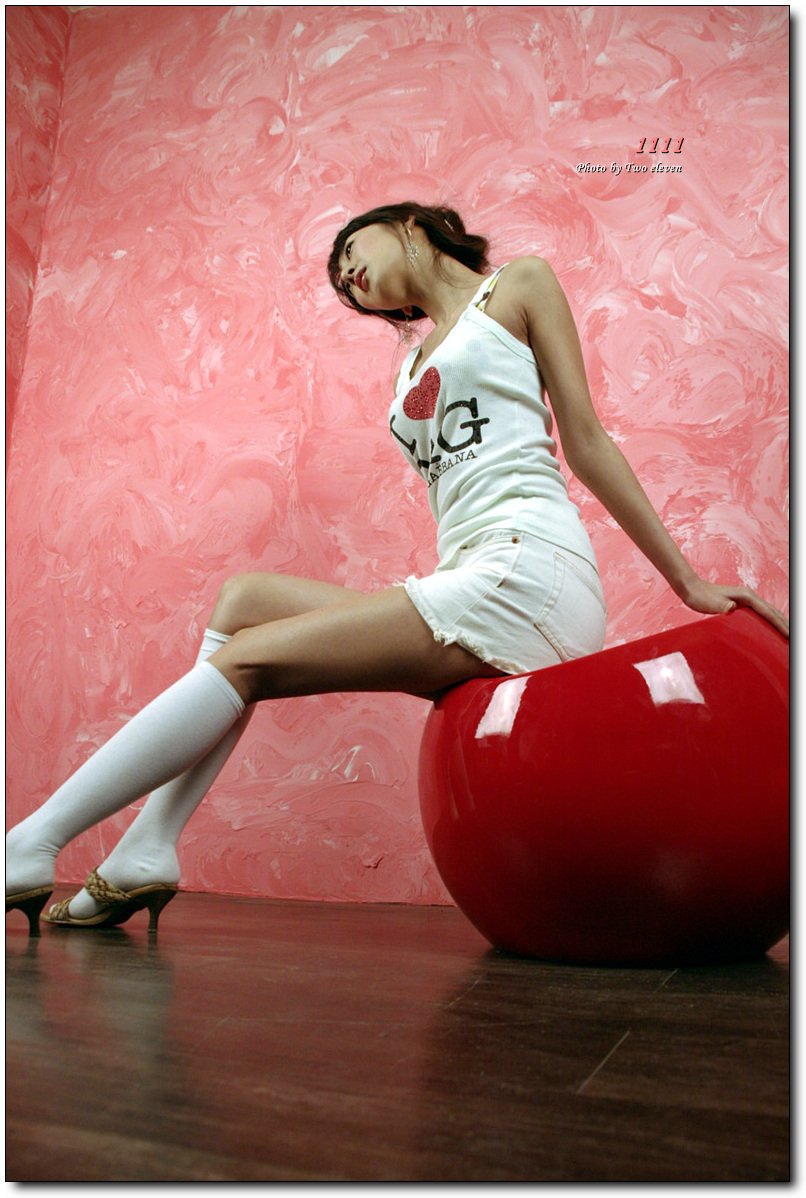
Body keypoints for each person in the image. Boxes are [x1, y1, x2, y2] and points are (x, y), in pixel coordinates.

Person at [6, 202, 789, 935]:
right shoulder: (409, 368)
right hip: (472, 572)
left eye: (353, 252)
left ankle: (31, 842)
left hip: (530, 568)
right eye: (342, 282)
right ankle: (149, 846)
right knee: (244, 601)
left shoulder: (518, 286)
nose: (348, 277)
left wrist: (686, 582)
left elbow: (585, 440)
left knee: (248, 660)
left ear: (412, 225)